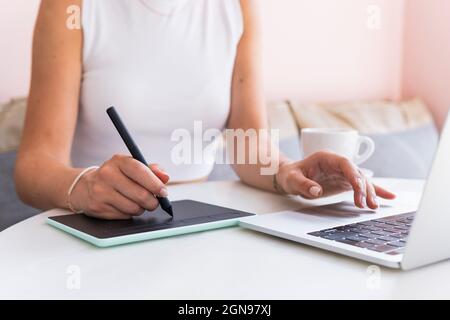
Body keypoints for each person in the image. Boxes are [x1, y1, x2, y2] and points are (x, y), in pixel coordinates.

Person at [15, 0, 395, 220]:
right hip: (95, 227)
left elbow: (249, 149)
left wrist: (286, 171)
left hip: (197, 222)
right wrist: (84, 188)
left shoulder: (237, 7)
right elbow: (33, 168)